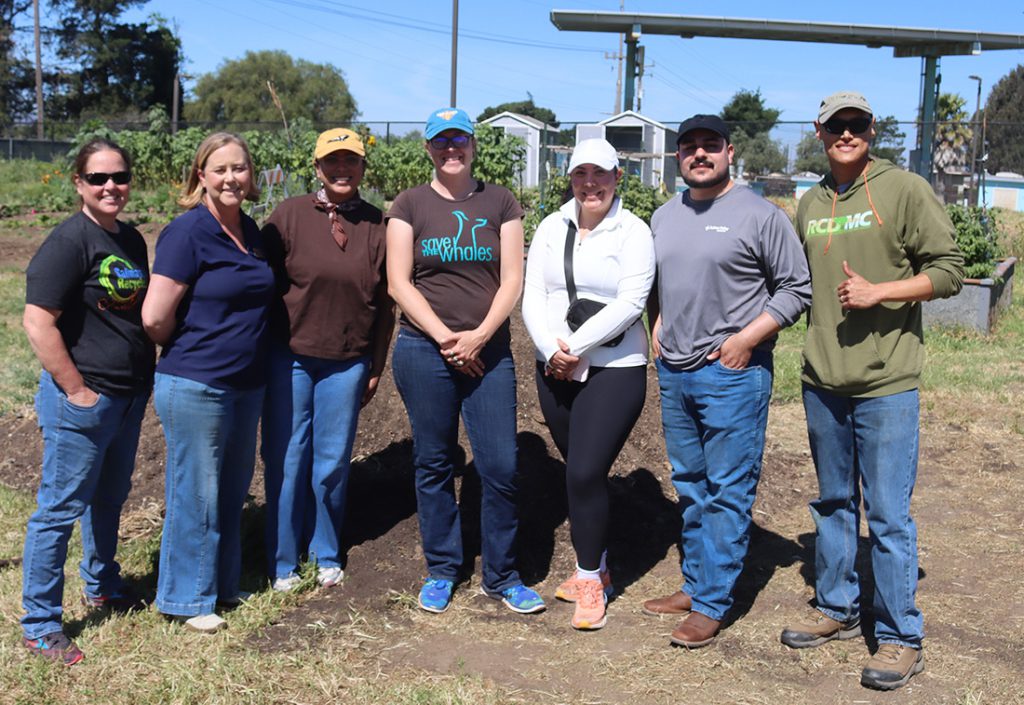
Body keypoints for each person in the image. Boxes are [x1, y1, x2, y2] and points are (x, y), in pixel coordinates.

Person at [779, 91, 964, 690]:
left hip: (887, 384)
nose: (846, 134)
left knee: (886, 515)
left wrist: (882, 291)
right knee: (833, 502)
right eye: (836, 126)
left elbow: (951, 270)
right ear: (820, 131)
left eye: (857, 125)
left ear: (871, 130)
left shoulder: (903, 190)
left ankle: (900, 635)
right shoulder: (808, 202)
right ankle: (835, 606)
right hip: (822, 381)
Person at [642, 115, 812, 648]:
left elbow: (795, 289)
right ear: (677, 159)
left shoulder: (761, 215)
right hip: (676, 371)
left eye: (709, 146)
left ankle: (713, 602)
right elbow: (663, 283)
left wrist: (745, 340)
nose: (699, 155)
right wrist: (659, 323)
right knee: (691, 486)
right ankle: (696, 584)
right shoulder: (664, 215)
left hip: (732, 373)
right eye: (689, 147)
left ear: (729, 152)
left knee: (727, 491)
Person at [386, 107, 544, 615]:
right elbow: (398, 283)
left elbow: (513, 279)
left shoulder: (500, 201)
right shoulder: (408, 204)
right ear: (429, 148)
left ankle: (502, 576)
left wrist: (478, 336)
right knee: (433, 461)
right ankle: (442, 570)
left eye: (460, 141)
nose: (451, 150)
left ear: (473, 145)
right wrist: (447, 340)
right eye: (441, 142)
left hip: (489, 351)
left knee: (499, 464)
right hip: (422, 350)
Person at [20, 139, 153, 665]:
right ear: (79, 183)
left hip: (126, 395)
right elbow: (37, 321)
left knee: (109, 497)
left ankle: (101, 584)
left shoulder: (131, 240)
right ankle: (39, 623)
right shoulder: (70, 241)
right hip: (84, 399)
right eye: (98, 178)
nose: (110, 187)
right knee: (58, 509)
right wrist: (75, 389)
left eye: (118, 176)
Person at [142, 132, 275, 634]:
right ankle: (185, 596)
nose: (230, 178)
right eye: (219, 169)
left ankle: (220, 583)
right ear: (201, 176)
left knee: (230, 488)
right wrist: (197, 345)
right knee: (196, 489)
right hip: (196, 382)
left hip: (246, 384)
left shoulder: (251, 231)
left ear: (251, 175)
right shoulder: (187, 233)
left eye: (239, 168)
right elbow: (155, 317)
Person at [522, 138, 654, 630]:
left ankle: (589, 582)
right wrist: (548, 348)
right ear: (571, 178)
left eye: (601, 174)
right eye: (581, 174)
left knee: (581, 472)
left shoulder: (633, 231)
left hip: (614, 368)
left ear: (618, 178)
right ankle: (598, 566)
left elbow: (631, 301)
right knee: (582, 473)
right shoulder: (552, 227)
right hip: (554, 366)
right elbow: (533, 292)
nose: (590, 183)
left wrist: (573, 345)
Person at [261, 128, 394, 592]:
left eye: (351, 161)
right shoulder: (288, 216)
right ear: (317, 168)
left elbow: (385, 303)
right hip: (290, 356)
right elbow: (260, 283)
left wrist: (376, 365)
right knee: (288, 456)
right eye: (332, 162)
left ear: (362, 168)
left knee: (333, 461)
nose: (342, 170)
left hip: (347, 361)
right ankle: (282, 559)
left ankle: (326, 550)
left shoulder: (379, 225)